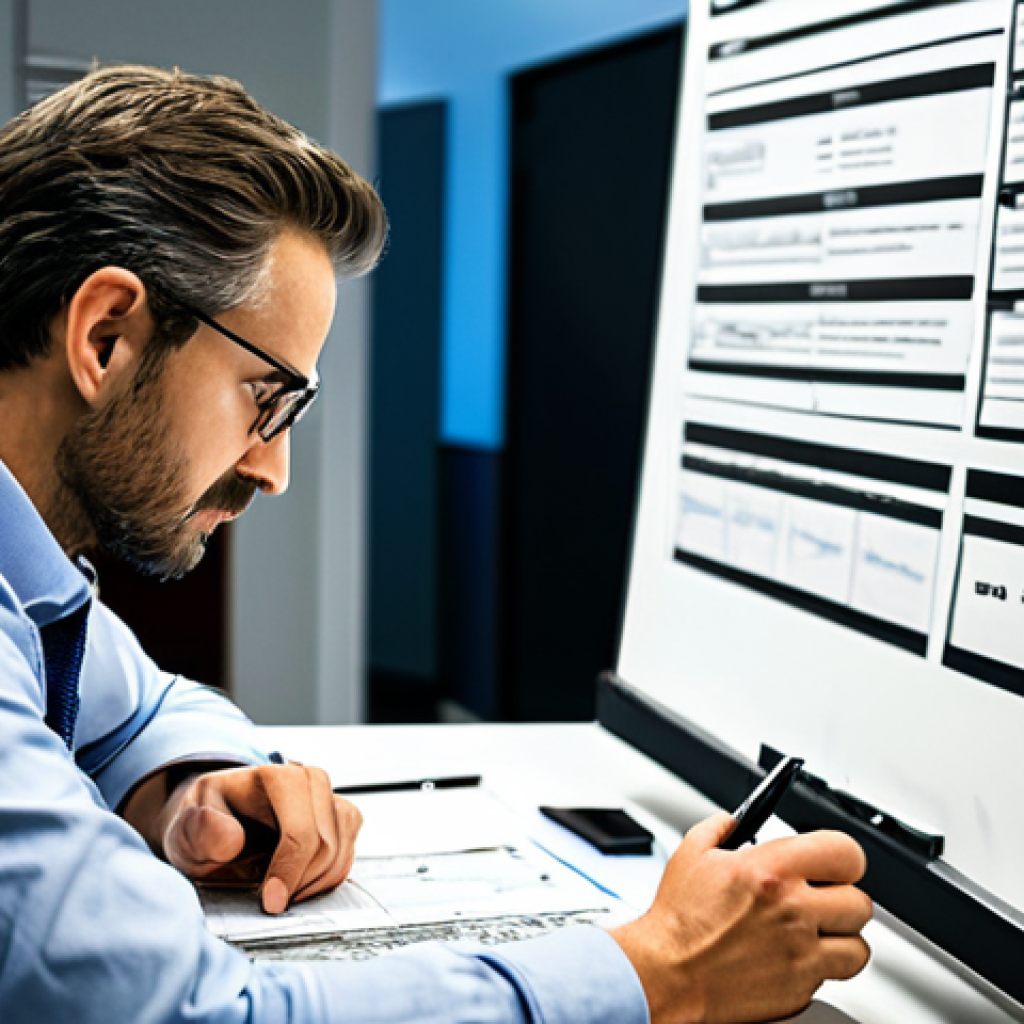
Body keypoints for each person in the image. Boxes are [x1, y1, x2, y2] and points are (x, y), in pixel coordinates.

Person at [0, 66, 872, 1024]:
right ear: (107, 336)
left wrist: (191, 789)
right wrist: (665, 969)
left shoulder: (30, 573)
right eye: (268, 397)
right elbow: (200, 1017)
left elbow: (134, 710)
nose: (275, 468)